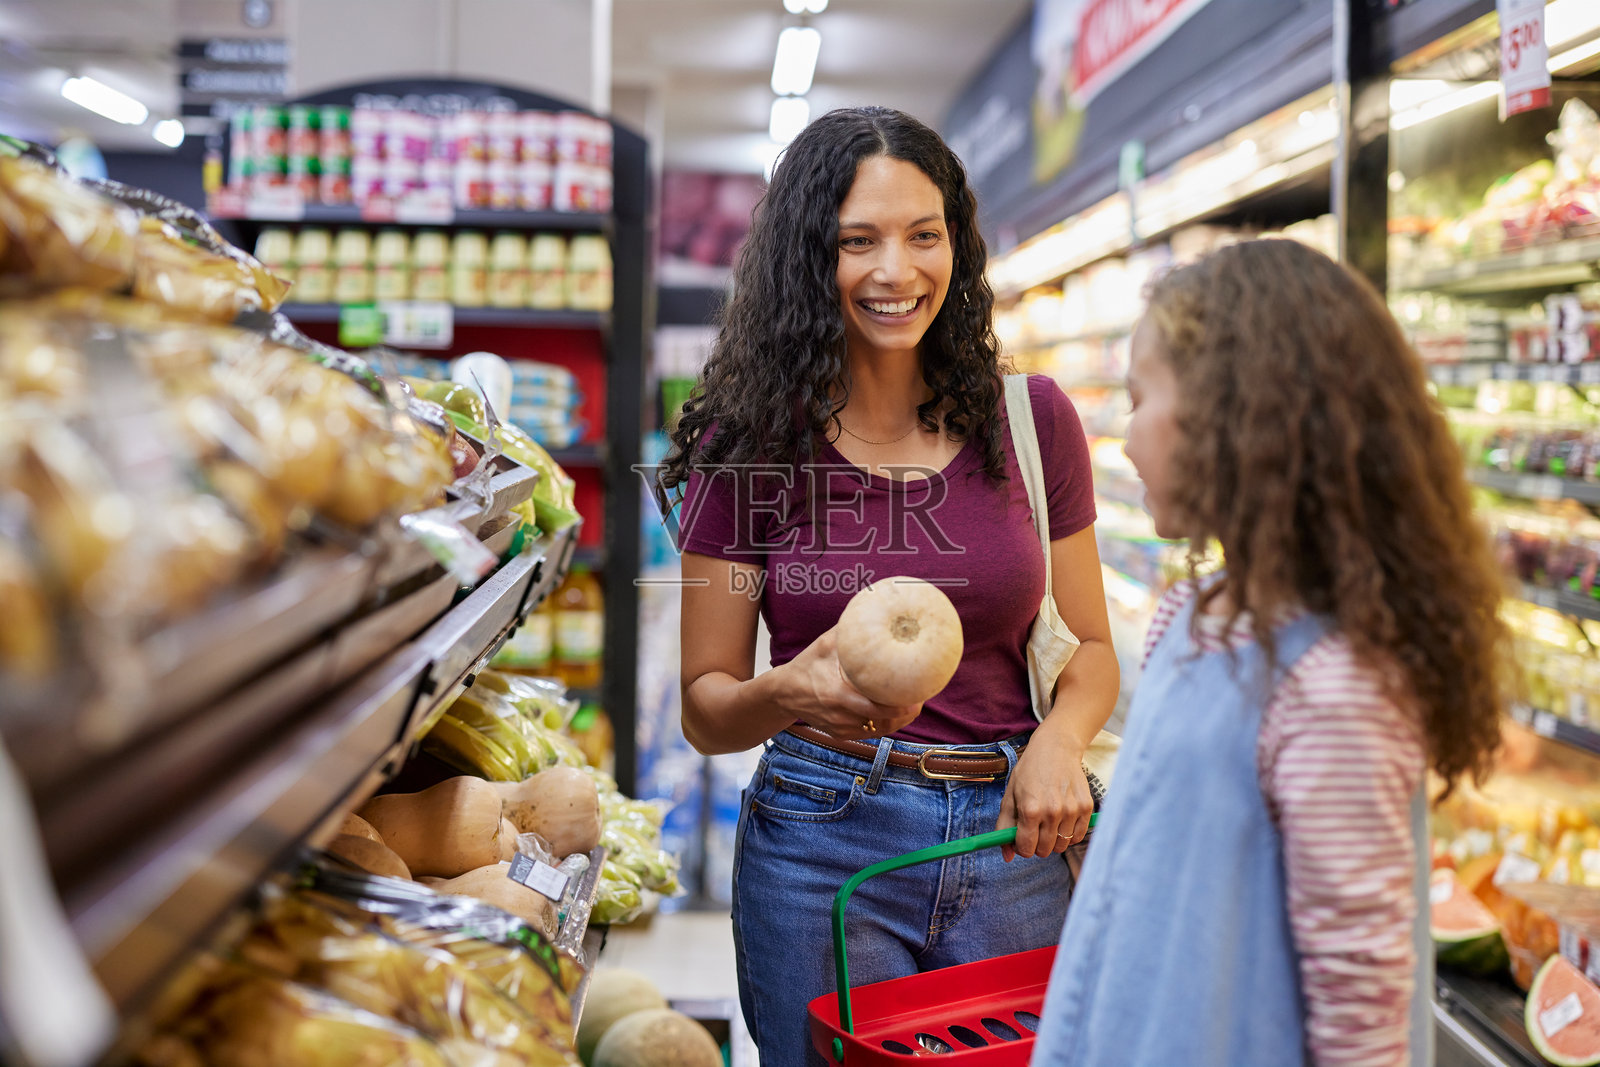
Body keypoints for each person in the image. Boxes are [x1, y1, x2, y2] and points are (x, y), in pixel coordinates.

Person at [656, 106, 1120, 1067]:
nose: (895, 272)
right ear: (806, 260)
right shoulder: (749, 447)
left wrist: (1060, 745)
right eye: (856, 241)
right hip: (821, 843)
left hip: (1013, 840)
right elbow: (707, 706)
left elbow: (1095, 651)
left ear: (956, 243)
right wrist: (786, 691)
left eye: (923, 235)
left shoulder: (1031, 423)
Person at [1032, 239, 1510, 1067]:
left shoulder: (1333, 688)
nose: (1121, 427)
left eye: (1141, 397)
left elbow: (1361, 1013)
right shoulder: (1192, 615)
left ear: (1235, 417)